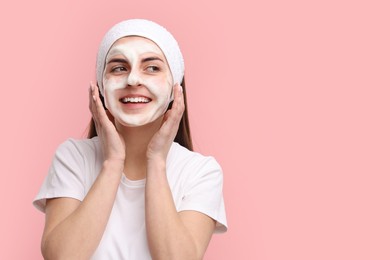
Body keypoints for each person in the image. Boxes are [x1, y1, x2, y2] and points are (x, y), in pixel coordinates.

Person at [33, 19, 227, 259]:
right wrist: (113, 161)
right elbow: (61, 256)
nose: (133, 79)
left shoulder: (201, 172)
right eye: (119, 68)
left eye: (152, 68)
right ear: (101, 87)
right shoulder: (73, 157)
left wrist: (156, 160)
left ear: (175, 88)